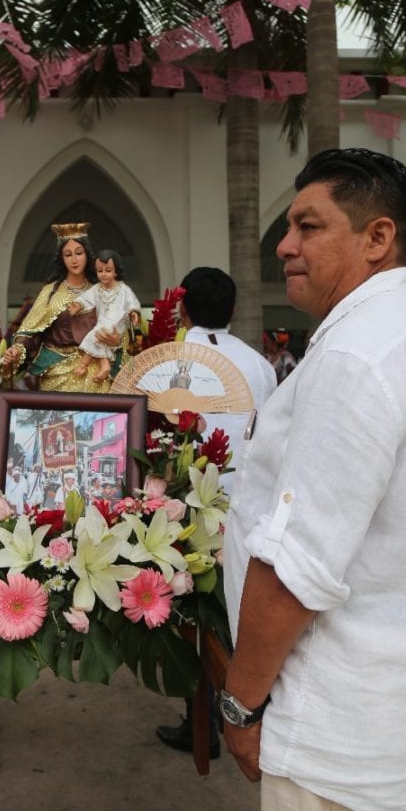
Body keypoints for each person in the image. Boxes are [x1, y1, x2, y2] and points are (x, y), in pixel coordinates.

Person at [222, 148, 406, 811]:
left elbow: (297, 568)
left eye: (309, 225)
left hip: (335, 717)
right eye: (288, 224)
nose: (285, 242)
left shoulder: (359, 357)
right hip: (389, 704)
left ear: (378, 237)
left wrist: (239, 701)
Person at [155, 266, 276, 759]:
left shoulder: (168, 360)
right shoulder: (259, 365)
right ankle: (245, 708)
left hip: (186, 502)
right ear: (231, 310)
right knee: (233, 614)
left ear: (181, 308)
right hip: (244, 504)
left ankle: (199, 720)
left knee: (188, 610)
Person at [1, 222, 121, 392]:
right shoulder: (51, 292)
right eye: (68, 254)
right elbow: (31, 332)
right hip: (57, 371)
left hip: (97, 374)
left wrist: (116, 339)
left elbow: (118, 329)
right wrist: (17, 350)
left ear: (87, 254)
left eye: (79, 253)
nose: (74, 260)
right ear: (61, 258)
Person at [68, 249, 141, 382]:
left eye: (108, 270)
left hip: (117, 325)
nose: (103, 274)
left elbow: (132, 303)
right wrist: (78, 305)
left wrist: (134, 313)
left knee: (96, 334)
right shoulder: (97, 289)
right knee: (98, 337)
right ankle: (104, 365)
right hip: (103, 323)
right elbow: (86, 299)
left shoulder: (123, 289)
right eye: (100, 270)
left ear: (116, 271)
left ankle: (84, 365)